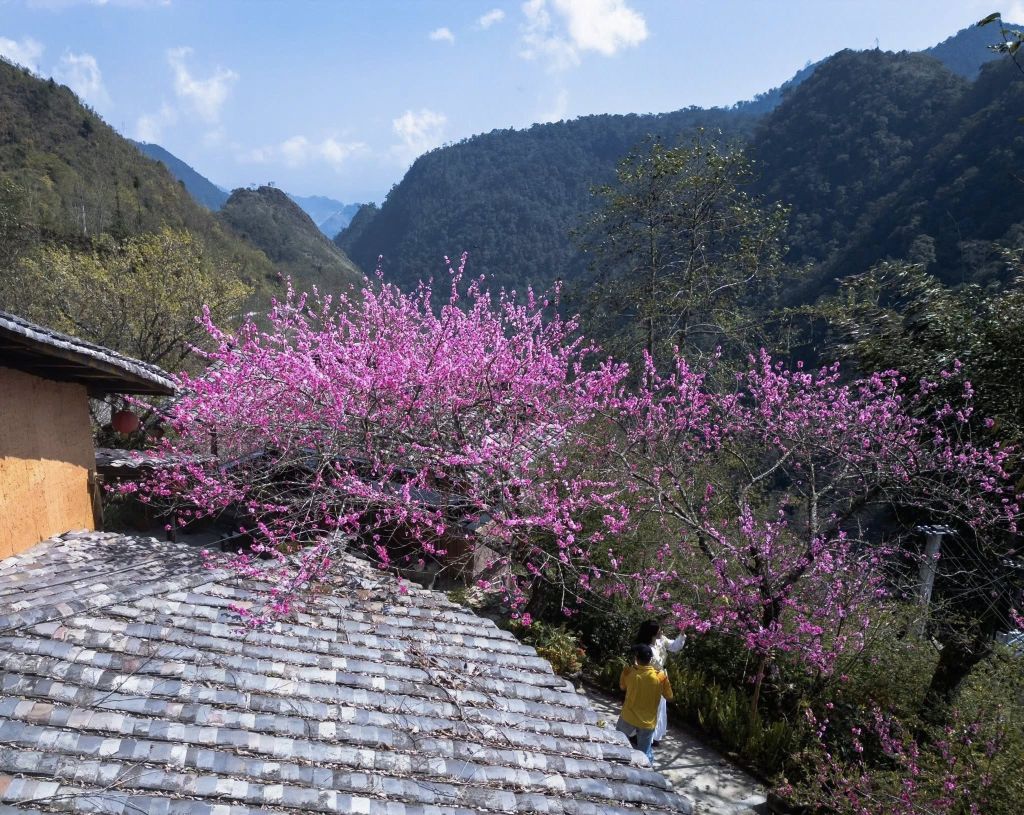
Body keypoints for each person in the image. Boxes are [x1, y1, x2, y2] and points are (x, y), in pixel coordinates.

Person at [616, 643, 674, 764]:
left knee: (617, 744)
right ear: (650, 659)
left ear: (636, 658)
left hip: (628, 717)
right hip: (647, 723)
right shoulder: (661, 677)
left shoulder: (629, 672)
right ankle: (647, 774)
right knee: (644, 754)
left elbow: (622, 687)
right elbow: (669, 698)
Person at [635, 619, 686, 742]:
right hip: (648, 678)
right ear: (652, 633)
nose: (661, 631)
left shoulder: (661, 640)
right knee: (646, 706)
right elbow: (640, 664)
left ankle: (653, 736)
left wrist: (682, 633)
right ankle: (639, 734)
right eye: (659, 629)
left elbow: (674, 646)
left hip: (660, 678)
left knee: (658, 707)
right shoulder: (644, 647)